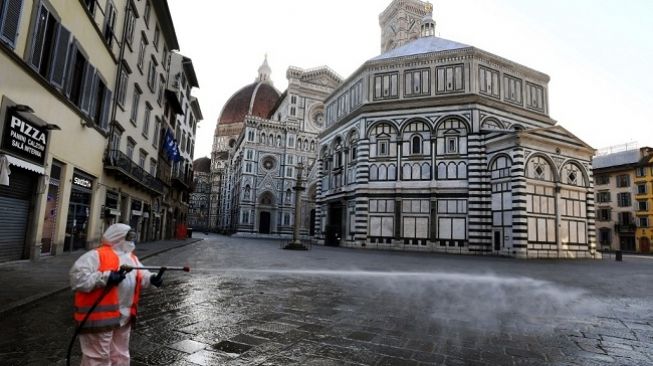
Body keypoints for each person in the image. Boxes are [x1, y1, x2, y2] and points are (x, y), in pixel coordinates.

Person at [69, 223, 163, 366]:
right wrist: (106, 277)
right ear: (118, 237)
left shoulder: (131, 257)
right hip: (99, 317)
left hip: (124, 316)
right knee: (97, 358)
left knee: (120, 354)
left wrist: (151, 279)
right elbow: (78, 279)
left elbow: (141, 274)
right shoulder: (96, 255)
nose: (131, 239)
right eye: (129, 236)